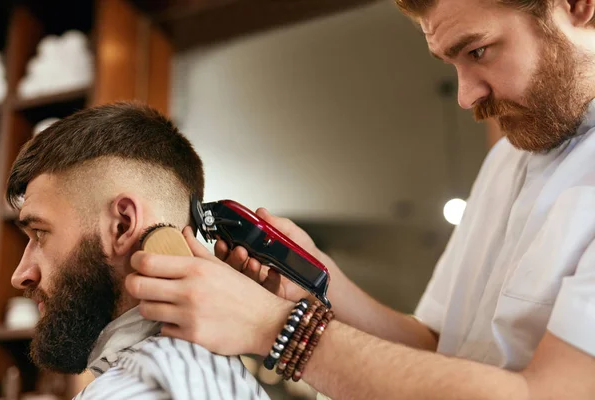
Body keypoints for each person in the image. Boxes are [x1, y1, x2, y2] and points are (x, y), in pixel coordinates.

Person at [126, 0, 595, 399]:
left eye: (479, 51)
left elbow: (548, 394)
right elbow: (437, 350)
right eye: (453, 64)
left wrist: (273, 328)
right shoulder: (508, 160)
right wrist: (317, 278)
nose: (466, 96)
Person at [6, 102, 270, 400]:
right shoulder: (220, 374)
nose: (20, 275)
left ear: (122, 225)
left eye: (40, 233)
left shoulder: (130, 391)